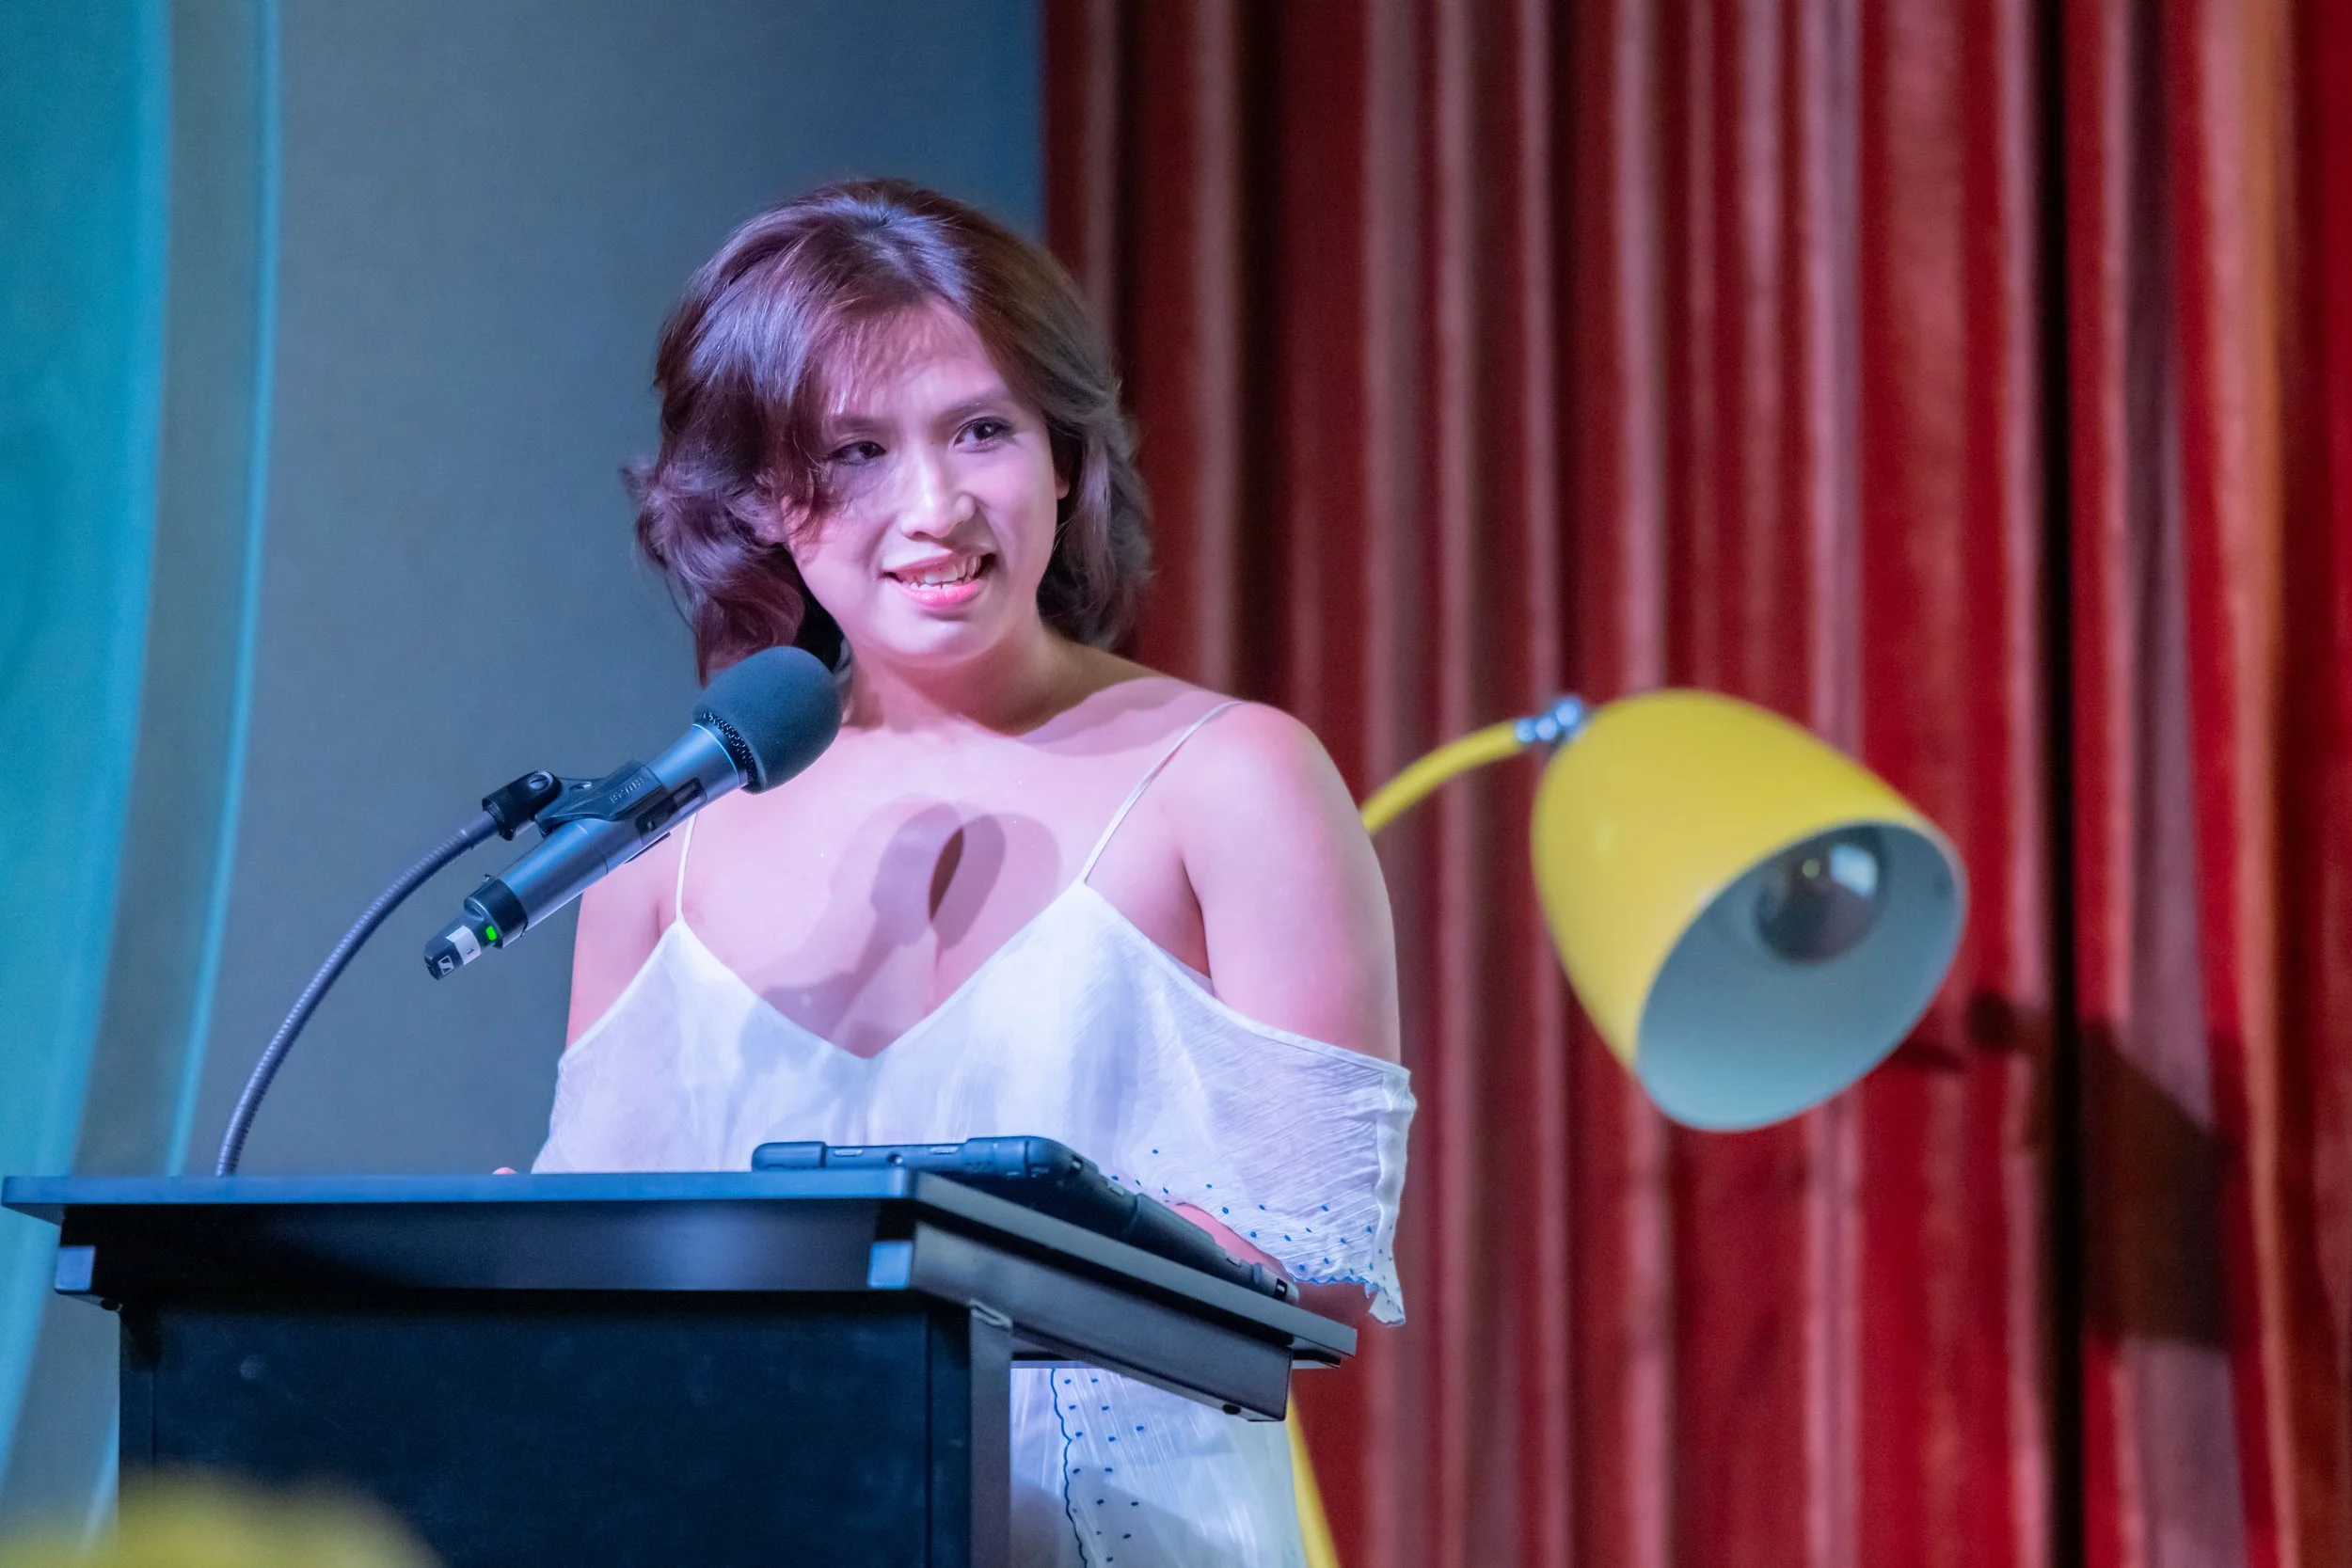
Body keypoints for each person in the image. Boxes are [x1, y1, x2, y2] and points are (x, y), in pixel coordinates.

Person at [532, 178, 1415, 1566]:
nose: (934, 507)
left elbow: (1305, 1274)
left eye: (983, 431)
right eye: (857, 452)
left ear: (1066, 456)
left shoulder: (1232, 778)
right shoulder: (664, 850)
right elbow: (588, 1289)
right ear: (768, 497)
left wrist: (929, 1266)